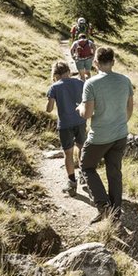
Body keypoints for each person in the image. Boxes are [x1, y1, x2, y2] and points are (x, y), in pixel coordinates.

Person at [79, 46, 133, 224]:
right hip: (120, 134)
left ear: (95, 62)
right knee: (114, 172)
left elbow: (87, 114)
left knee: (87, 166)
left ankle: (103, 205)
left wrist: (80, 108)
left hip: (100, 136)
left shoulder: (91, 84)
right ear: (113, 62)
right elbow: (129, 108)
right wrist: (119, 123)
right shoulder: (125, 80)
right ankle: (116, 212)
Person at [46, 60, 86, 196]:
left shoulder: (54, 87)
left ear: (55, 74)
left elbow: (49, 109)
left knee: (68, 153)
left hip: (65, 124)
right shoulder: (80, 83)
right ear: (68, 71)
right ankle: (84, 176)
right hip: (80, 121)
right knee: (81, 148)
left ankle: (72, 183)